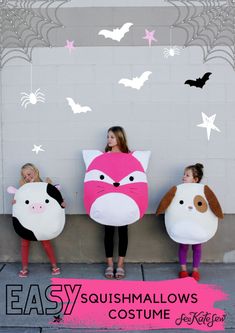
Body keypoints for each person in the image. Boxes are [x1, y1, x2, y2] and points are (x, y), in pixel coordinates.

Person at [16, 163, 64, 278]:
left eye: (29, 174)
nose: (27, 178)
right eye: (24, 176)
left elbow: (54, 198)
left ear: (36, 172)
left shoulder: (45, 185)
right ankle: (24, 267)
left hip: (42, 220)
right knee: (24, 242)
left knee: (45, 241)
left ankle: (54, 265)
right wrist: (15, 202)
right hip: (28, 220)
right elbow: (21, 201)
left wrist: (61, 203)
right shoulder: (24, 189)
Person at [104, 126, 130, 279]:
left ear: (119, 138)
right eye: (108, 137)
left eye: (112, 137)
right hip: (108, 199)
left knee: (122, 232)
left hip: (123, 200)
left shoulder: (128, 156)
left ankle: (120, 264)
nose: (109, 139)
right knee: (108, 232)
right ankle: (109, 264)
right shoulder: (104, 156)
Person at [179, 163, 204, 281]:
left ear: (195, 180)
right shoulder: (180, 191)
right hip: (184, 223)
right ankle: (183, 269)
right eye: (184, 174)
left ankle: (195, 270)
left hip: (197, 224)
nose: (184, 177)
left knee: (197, 246)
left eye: (187, 175)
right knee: (183, 245)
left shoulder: (201, 192)